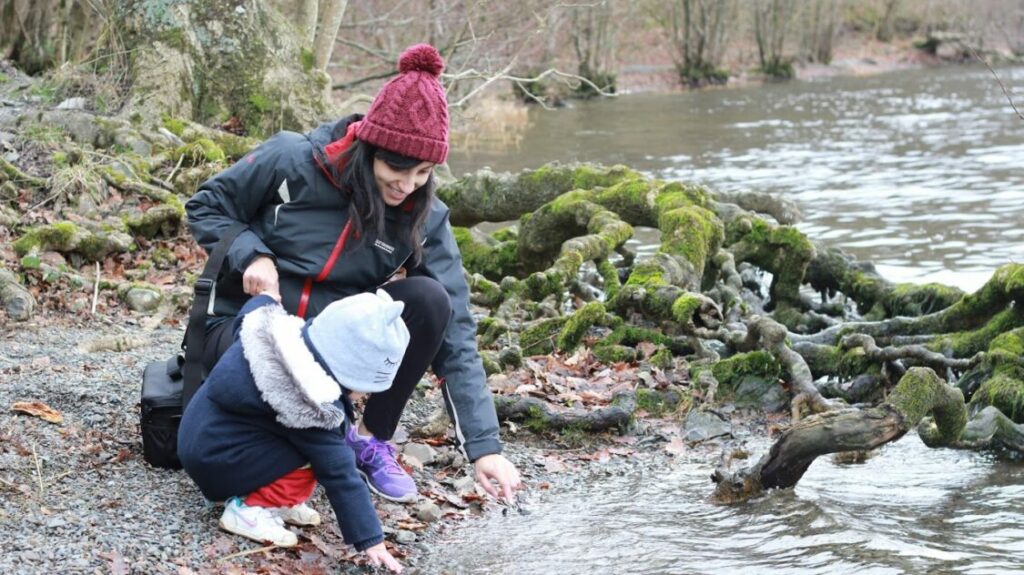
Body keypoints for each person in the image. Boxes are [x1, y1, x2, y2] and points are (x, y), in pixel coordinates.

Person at [184, 43, 521, 507]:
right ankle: (294, 443)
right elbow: (207, 205)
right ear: (368, 148)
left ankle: (368, 439)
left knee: (429, 301)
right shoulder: (291, 160)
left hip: (325, 343)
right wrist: (253, 255)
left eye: (423, 172)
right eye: (396, 169)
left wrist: (485, 447)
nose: (407, 185)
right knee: (270, 424)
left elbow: (456, 331)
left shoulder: (422, 214)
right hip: (247, 326)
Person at [178, 289, 409, 572]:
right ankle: (250, 509)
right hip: (219, 463)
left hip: (200, 439)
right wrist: (371, 539)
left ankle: (275, 499)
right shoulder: (310, 404)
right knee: (317, 455)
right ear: (350, 371)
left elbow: (252, 309)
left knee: (301, 442)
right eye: (367, 390)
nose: (366, 397)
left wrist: (265, 297)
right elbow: (340, 473)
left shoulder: (275, 338)